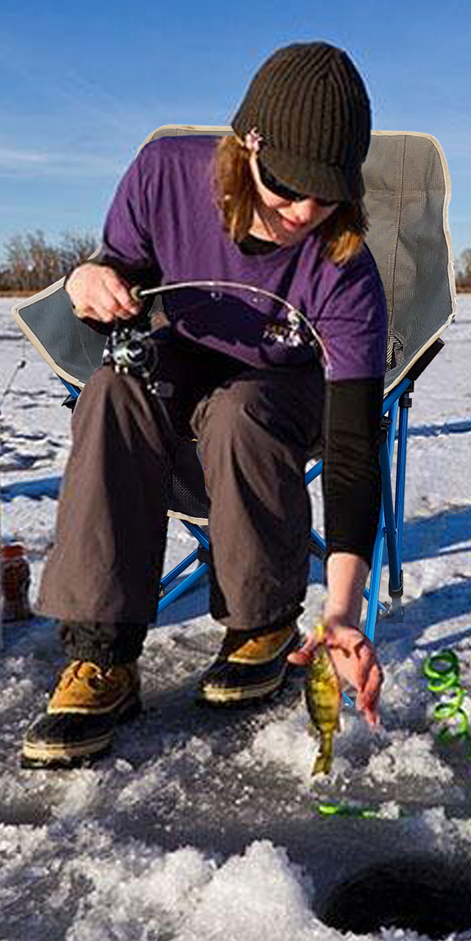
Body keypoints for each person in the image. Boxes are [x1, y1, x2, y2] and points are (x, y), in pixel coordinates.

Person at [22, 41, 387, 768]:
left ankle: (262, 624)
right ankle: (103, 658)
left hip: (280, 393)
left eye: (327, 194)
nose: (305, 211)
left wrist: (341, 610)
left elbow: (349, 447)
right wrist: (88, 279)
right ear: (246, 146)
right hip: (175, 363)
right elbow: (116, 267)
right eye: (287, 187)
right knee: (111, 394)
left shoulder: (346, 269)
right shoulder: (165, 174)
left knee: (241, 410)